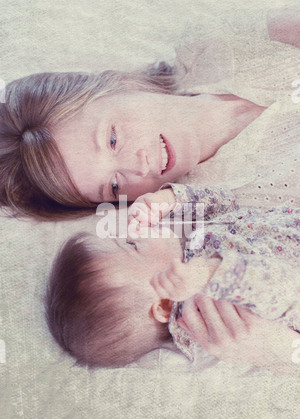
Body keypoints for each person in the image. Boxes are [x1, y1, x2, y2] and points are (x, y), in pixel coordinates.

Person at [0, 7, 300, 219]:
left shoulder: (214, 44)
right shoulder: (229, 207)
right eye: (114, 186)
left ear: (119, 84)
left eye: (113, 139)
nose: (139, 167)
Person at [45, 185, 300, 375]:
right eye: (131, 245)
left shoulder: (190, 246)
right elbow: (284, 289)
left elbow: (226, 203)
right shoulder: (204, 311)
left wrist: (169, 200)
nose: (134, 231)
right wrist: (210, 275)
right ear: (164, 305)